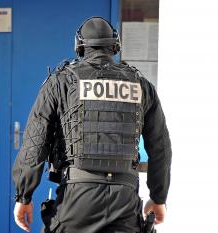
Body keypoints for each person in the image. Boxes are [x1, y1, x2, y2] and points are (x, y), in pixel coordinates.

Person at [12, 16, 172, 233]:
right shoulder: (141, 85)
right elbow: (160, 147)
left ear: (79, 46)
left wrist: (24, 195)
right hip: (125, 200)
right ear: (115, 46)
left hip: (77, 199)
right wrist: (158, 198)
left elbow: (35, 144)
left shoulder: (60, 82)